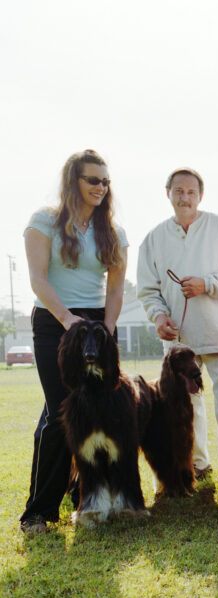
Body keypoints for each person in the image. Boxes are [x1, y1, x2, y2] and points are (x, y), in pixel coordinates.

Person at [20, 149, 128, 534]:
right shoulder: (44, 221)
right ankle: (38, 511)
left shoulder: (112, 231)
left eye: (105, 181)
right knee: (62, 411)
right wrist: (67, 320)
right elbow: (38, 278)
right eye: (93, 180)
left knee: (96, 410)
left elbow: (115, 289)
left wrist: (109, 327)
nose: (101, 187)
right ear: (74, 182)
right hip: (56, 322)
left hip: (98, 324)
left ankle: (86, 494)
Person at [137, 167, 218, 478]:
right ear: (167, 193)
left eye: (191, 192)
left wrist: (207, 284)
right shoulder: (153, 238)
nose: (185, 197)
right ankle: (197, 464)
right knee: (185, 407)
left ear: (200, 195)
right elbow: (147, 289)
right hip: (179, 342)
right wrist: (158, 316)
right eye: (179, 191)